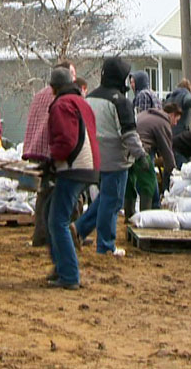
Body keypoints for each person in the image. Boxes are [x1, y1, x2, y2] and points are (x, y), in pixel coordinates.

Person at [76, 57, 147, 257]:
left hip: (93, 157)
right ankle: (106, 246)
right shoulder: (121, 102)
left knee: (104, 200)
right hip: (115, 160)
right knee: (113, 202)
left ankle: (78, 230)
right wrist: (141, 156)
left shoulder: (90, 98)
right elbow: (129, 134)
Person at [45, 67, 101, 290]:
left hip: (74, 166)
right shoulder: (81, 101)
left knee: (57, 221)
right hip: (89, 165)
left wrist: (52, 159)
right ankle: (61, 267)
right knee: (51, 212)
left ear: (53, 88)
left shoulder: (61, 104)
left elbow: (66, 141)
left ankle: (69, 275)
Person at [22, 61, 75, 248]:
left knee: (43, 194)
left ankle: (40, 235)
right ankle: (68, 236)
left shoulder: (38, 95)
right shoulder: (62, 97)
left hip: (36, 149)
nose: (74, 78)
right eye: (72, 74)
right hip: (53, 152)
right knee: (66, 196)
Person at [135, 102, 179, 209]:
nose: (176, 124)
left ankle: (130, 214)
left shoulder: (148, 114)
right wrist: (174, 172)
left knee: (137, 182)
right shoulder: (163, 123)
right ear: (172, 115)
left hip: (129, 148)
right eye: (177, 120)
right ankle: (153, 209)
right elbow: (167, 151)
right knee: (149, 182)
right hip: (143, 150)